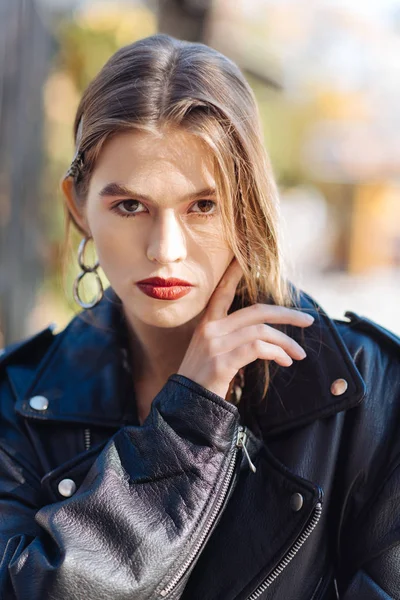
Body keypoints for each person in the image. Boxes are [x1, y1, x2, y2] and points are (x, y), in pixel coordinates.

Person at [0, 33, 399, 600]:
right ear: (79, 208)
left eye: (203, 206)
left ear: (251, 208)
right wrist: (187, 422)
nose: (165, 249)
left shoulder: (374, 395)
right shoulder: (15, 405)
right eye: (129, 205)